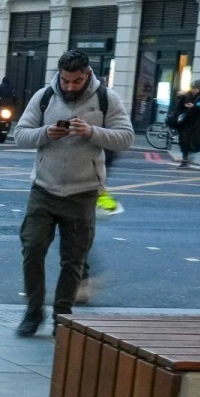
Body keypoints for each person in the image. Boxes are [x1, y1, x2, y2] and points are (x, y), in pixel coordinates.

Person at [12, 49, 134, 337]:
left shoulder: (106, 98)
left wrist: (92, 132)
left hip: (83, 192)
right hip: (44, 189)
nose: (70, 87)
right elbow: (20, 134)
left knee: (73, 260)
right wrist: (46, 133)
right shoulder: (45, 96)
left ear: (87, 74)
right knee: (32, 249)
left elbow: (126, 138)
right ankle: (33, 311)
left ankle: (62, 316)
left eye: (76, 81)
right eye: (66, 81)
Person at [167, 80, 200, 168]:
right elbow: (178, 107)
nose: (193, 90)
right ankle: (185, 160)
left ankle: (190, 155)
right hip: (185, 121)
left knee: (195, 140)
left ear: (199, 89)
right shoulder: (186, 96)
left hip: (196, 122)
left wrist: (194, 107)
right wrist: (179, 98)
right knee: (184, 140)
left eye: (195, 88)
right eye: (192, 88)